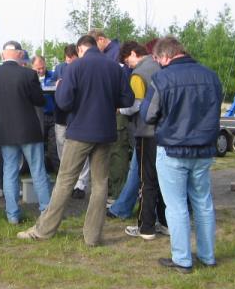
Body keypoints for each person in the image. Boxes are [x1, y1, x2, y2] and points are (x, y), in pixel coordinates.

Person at [17, 35, 134, 245]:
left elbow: (63, 102)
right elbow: (128, 99)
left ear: (80, 49)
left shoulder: (75, 67)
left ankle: (44, 230)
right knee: (100, 184)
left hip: (80, 132)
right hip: (105, 132)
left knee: (65, 181)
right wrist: (109, 100)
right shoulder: (115, 67)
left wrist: (62, 86)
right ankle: (93, 237)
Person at [141, 36, 222, 273]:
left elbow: (149, 114)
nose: (158, 64)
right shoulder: (211, 76)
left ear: (165, 56)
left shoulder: (162, 79)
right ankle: (207, 255)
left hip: (173, 149)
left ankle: (182, 258)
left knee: (176, 206)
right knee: (203, 203)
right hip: (203, 149)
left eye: (158, 59)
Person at [0, 41, 51, 224]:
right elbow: (39, 100)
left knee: (9, 171)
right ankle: (46, 212)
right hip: (28, 129)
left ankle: (12, 214)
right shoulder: (28, 74)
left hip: (5, 130)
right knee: (38, 170)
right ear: (20, 54)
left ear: (2, 54)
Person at [118, 41, 167, 240]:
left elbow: (134, 105)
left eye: (126, 60)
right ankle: (165, 222)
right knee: (164, 180)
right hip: (165, 132)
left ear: (133, 53)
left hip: (146, 132)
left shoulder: (138, 74)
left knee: (147, 180)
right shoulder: (161, 66)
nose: (127, 65)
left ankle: (145, 226)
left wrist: (119, 109)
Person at [89, 29, 130, 200]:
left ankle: (118, 193)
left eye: (94, 45)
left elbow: (122, 85)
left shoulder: (116, 54)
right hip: (108, 110)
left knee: (117, 152)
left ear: (101, 39)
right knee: (109, 152)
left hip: (118, 110)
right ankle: (111, 190)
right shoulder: (108, 54)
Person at [53, 44, 90, 199]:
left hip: (77, 116)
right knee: (62, 147)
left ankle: (80, 184)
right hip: (61, 115)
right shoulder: (59, 68)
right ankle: (68, 182)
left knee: (81, 150)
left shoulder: (84, 68)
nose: (69, 62)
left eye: (72, 59)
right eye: (67, 59)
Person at [32, 55, 59, 171]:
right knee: (38, 146)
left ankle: (58, 173)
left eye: (42, 67)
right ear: (32, 67)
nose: (41, 70)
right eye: (38, 68)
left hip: (52, 116)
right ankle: (40, 172)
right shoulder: (30, 78)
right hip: (38, 116)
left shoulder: (53, 76)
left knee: (54, 147)